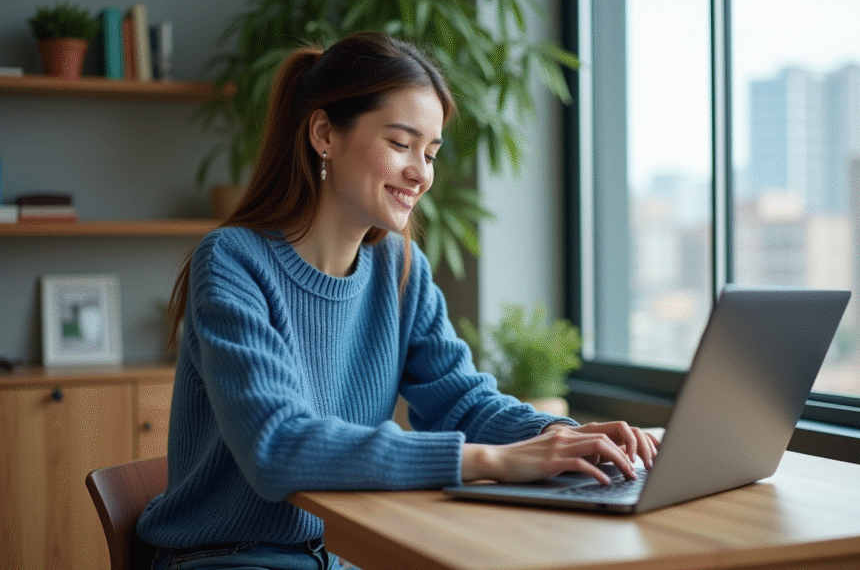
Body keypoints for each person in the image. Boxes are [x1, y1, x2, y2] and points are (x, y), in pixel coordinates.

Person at [136, 31, 659, 570]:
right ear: (324, 134)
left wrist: (558, 436)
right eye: (400, 144)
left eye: (430, 153)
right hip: (229, 559)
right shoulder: (232, 261)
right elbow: (277, 446)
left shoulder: (400, 268)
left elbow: (461, 401)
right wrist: (495, 461)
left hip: (341, 555)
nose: (421, 173)